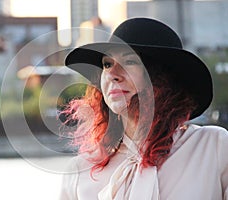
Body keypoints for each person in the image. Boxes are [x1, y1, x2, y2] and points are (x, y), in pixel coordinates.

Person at [58, 17, 228, 200]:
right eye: (107, 64)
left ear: (162, 78)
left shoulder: (213, 146)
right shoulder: (79, 171)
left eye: (129, 62)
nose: (112, 74)